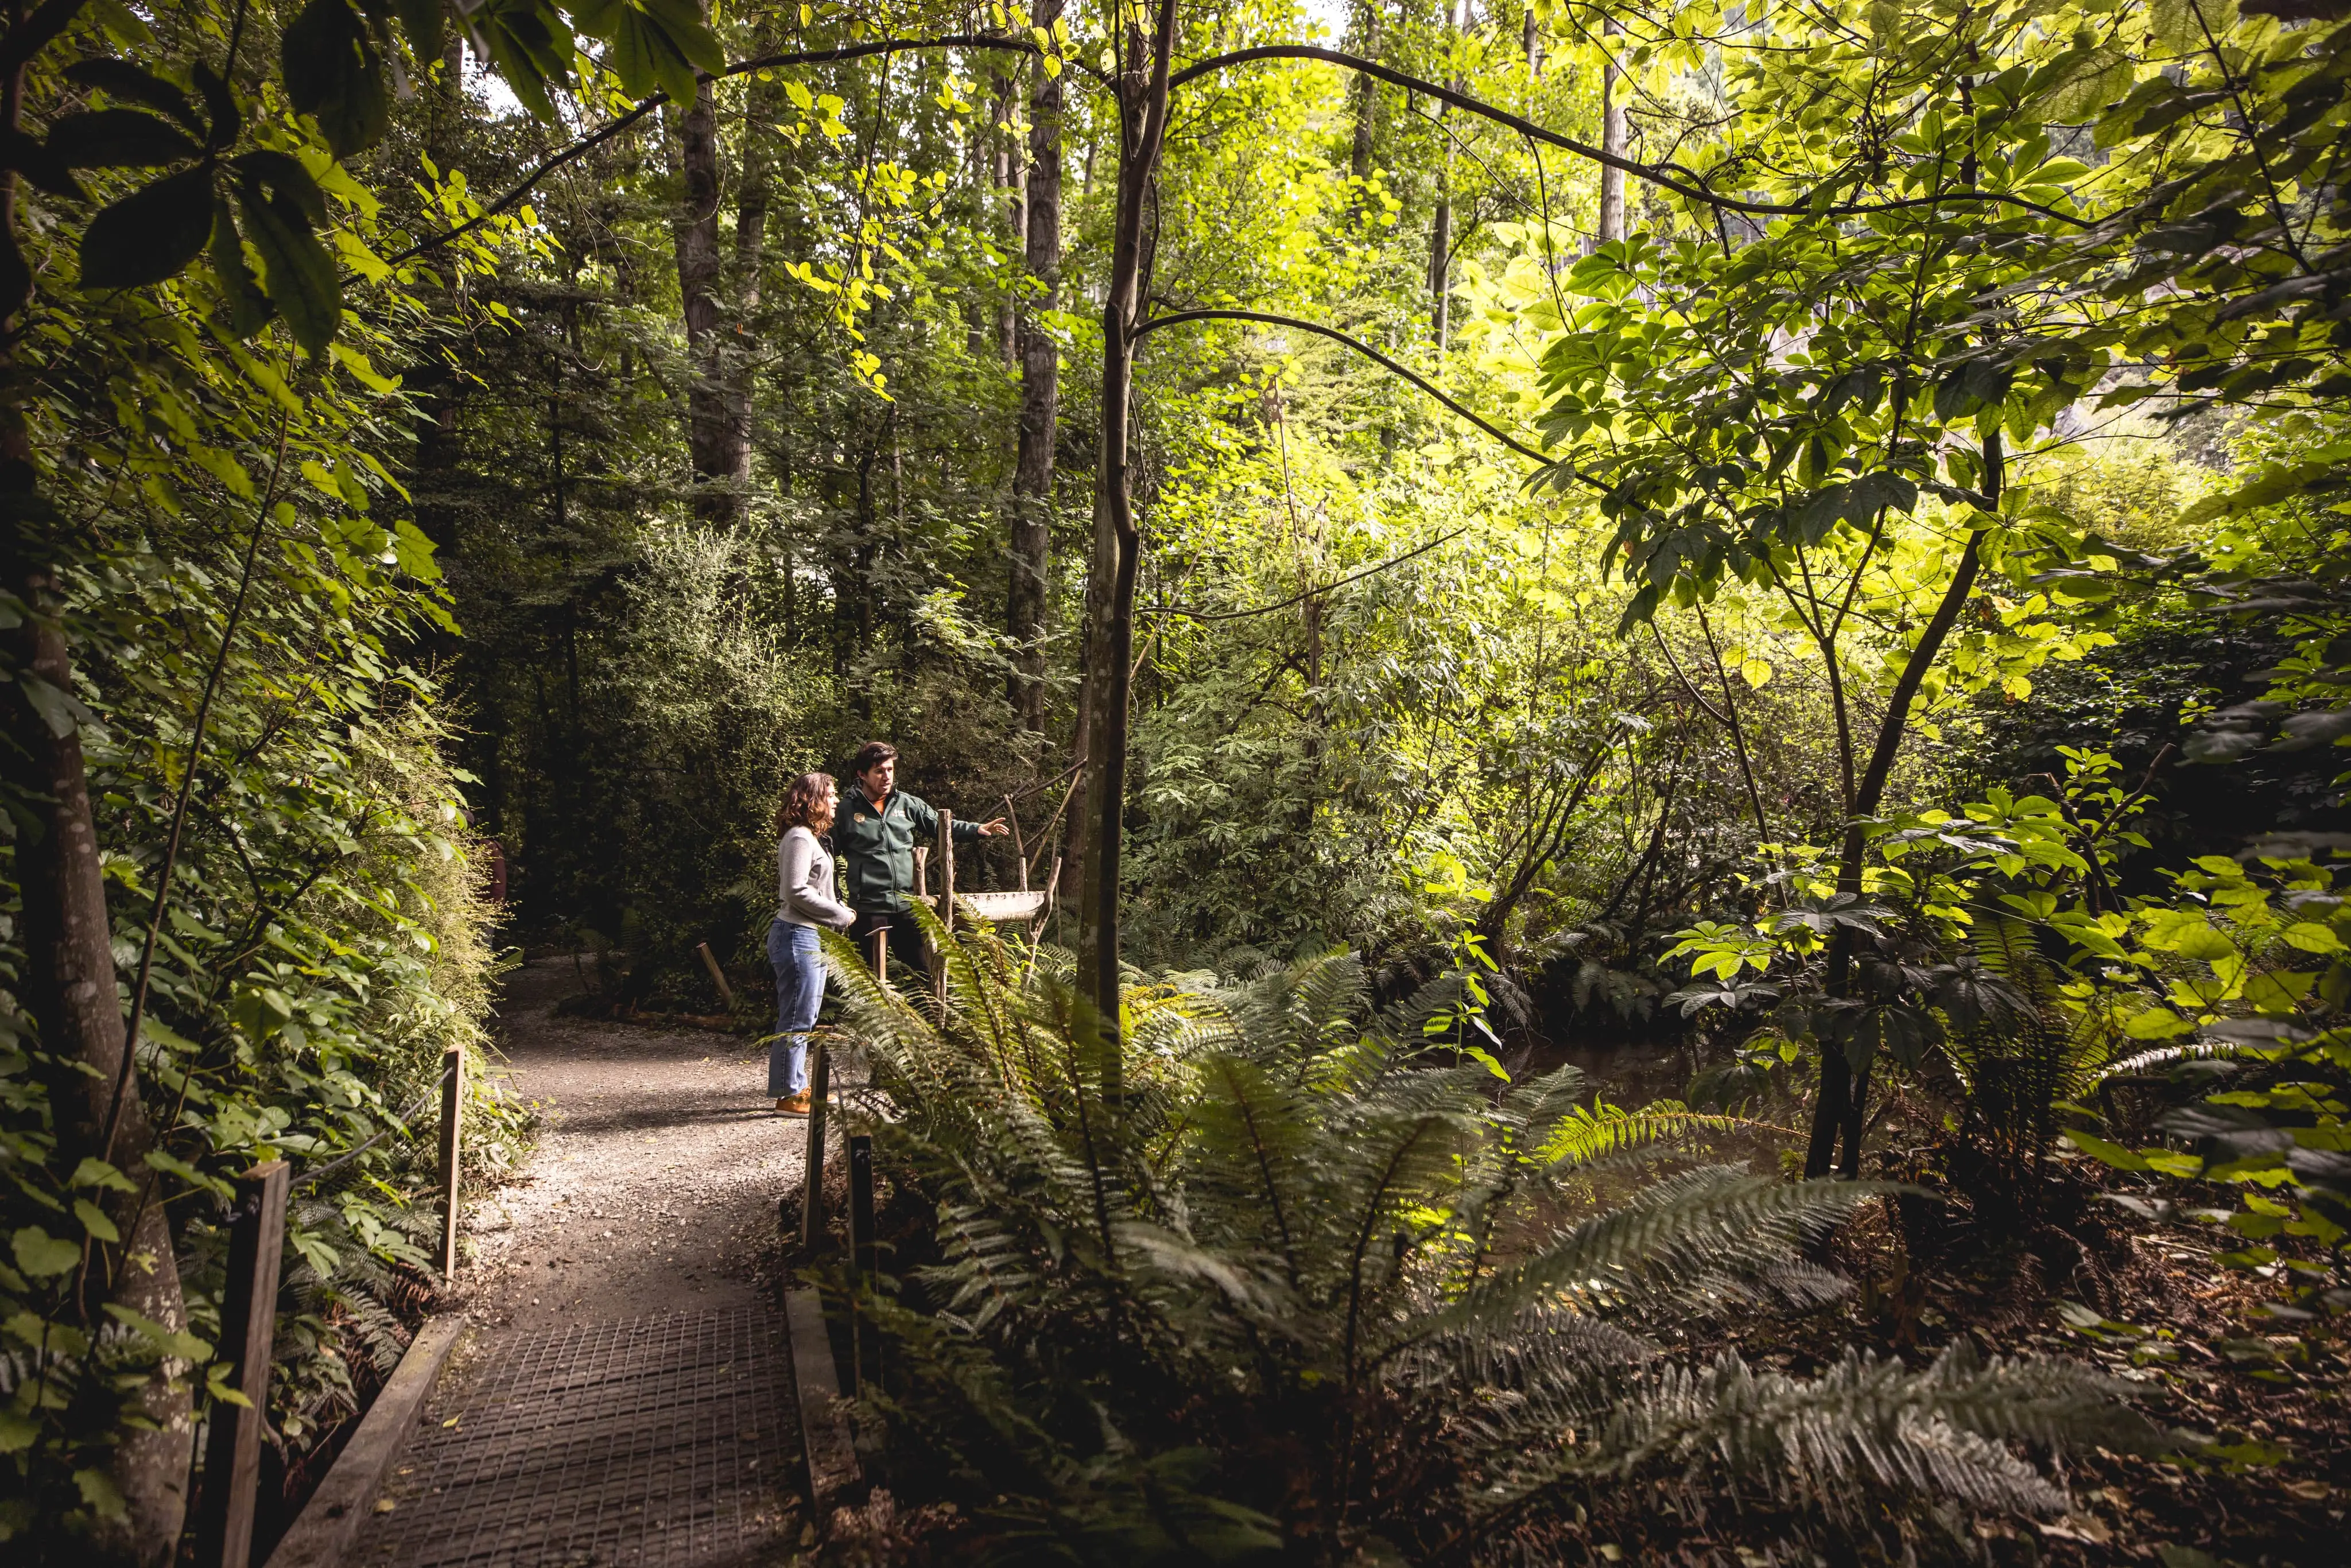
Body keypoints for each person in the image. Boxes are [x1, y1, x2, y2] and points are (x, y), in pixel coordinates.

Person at [835, 740, 1007, 979]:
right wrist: (835, 898)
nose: (887, 776)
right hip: (869, 908)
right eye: (879, 771)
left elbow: (941, 825)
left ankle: (931, 1017)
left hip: (907, 905)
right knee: (869, 982)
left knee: (924, 974)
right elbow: (826, 853)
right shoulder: (845, 810)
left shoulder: (906, 803)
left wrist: (976, 829)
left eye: (890, 769)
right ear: (862, 774)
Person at [770, 772, 855, 1115]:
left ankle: (797, 1088)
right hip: (796, 935)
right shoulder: (800, 838)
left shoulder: (808, 838)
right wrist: (840, 914)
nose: (836, 801)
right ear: (813, 799)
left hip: (809, 935)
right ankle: (788, 1096)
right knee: (796, 1017)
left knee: (805, 1014)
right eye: (831, 795)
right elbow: (795, 890)